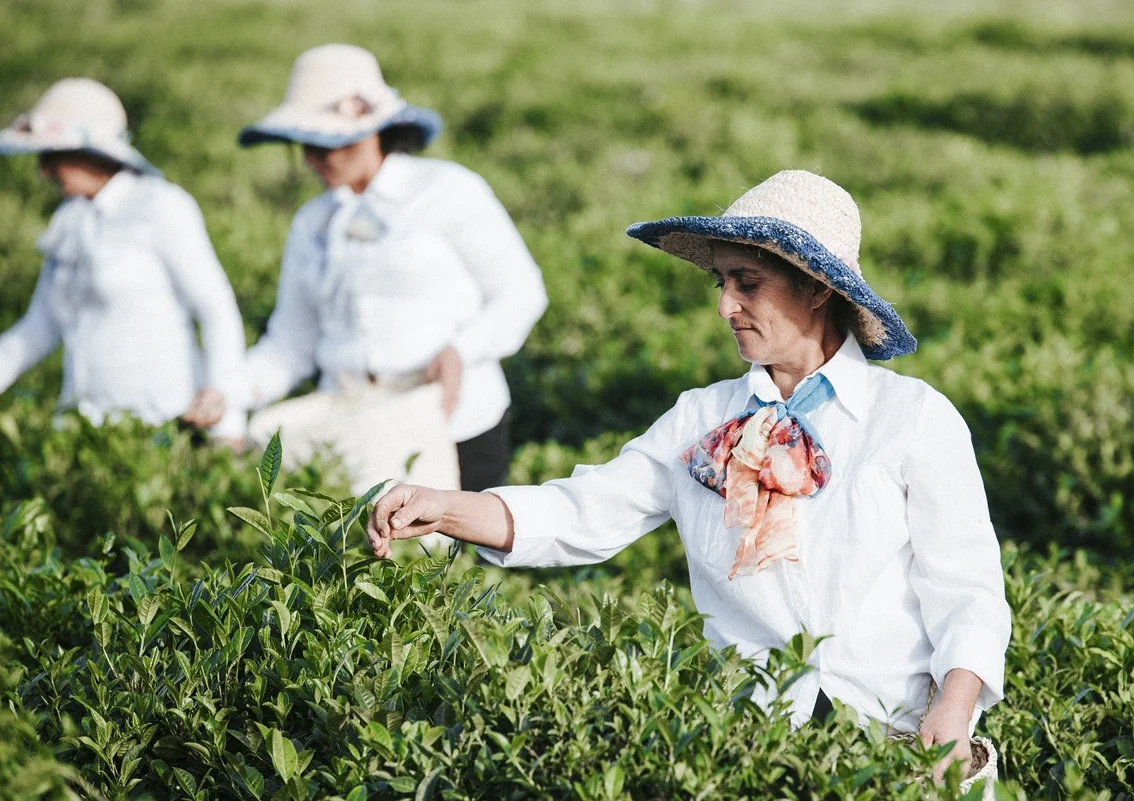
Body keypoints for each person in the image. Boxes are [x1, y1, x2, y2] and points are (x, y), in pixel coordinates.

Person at [367, 170, 1012, 782]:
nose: (726, 305)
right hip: (747, 743)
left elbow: (966, 587)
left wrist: (952, 715)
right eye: (721, 285)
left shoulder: (910, 417)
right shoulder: (701, 419)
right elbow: (583, 512)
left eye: (747, 283)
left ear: (817, 286)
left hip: (893, 739)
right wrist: (445, 508)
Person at [239, 44, 547, 493]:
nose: (316, 158)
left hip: (454, 419)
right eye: (307, 143)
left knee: (452, 558)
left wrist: (461, 349)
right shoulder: (313, 223)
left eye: (331, 142)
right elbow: (291, 340)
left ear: (375, 130)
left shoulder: (447, 191)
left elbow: (521, 292)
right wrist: (230, 393)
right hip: (355, 428)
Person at [0, 78, 248, 444]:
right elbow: (41, 324)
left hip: (163, 426)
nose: (43, 170)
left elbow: (214, 306)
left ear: (91, 152)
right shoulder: (68, 220)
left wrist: (225, 411)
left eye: (52, 155)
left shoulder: (160, 205)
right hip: (83, 428)